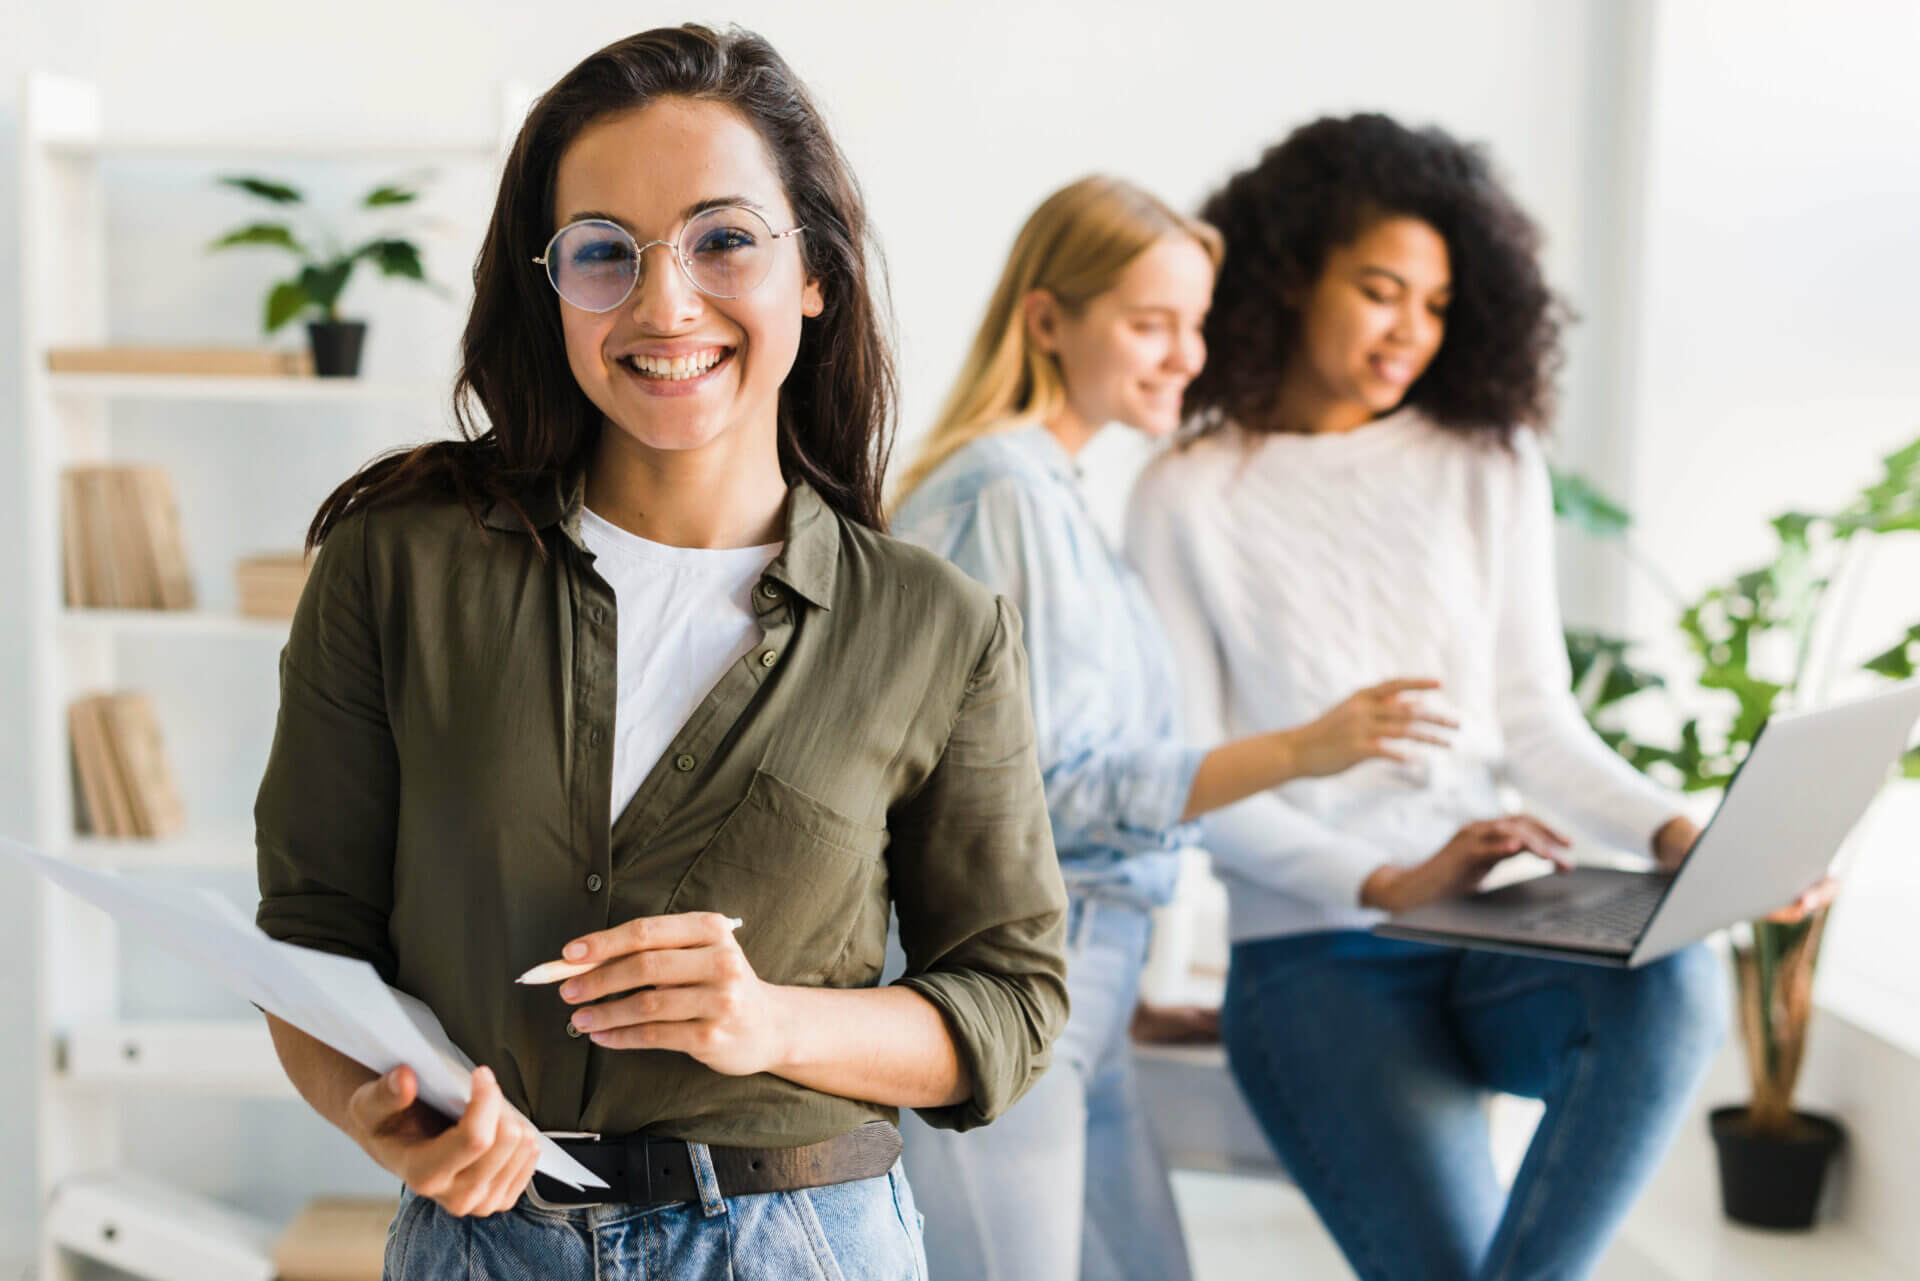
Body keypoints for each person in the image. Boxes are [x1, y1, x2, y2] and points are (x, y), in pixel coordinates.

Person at [253, 25, 1071, 1280]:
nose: (663, 303)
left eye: (724, 239)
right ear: (553, 288)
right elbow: (311, 938)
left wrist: (766, 1022)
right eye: (603, 254)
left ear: (815, 271)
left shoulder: (936, 624)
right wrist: (389, 1122)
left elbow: (1011, 1007)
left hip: (804, 1243)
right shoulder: (398, 565)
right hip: (481, 1246)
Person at [1127, 114, 1835, 1281]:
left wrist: (1680, 837)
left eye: (1439, 304)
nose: (1412, 329)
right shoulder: (1186, 494)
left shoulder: (1488, 459)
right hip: (1317, 955)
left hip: (1499, 931)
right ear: (1293, 274)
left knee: (1674, 981)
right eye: (1380, 289)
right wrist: (1392, 881)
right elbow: (1199, 786)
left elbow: (1537, 725)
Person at [889, 175, 1453, 1281]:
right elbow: (1042, 792)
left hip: (1083, 982)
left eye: (1194, 324)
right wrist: (1299, 752)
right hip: (1017, 987)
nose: (1186, 355)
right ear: (1049, 320)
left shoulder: (1056, 498)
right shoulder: (1002, 491)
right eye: (1152, 323)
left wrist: (1138, 984)